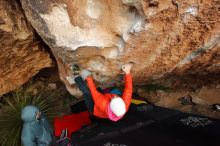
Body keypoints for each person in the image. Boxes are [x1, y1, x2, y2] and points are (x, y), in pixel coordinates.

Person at [66, 63, 133, 121]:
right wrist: (128, 73)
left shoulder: (103, 104)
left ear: (110, 104)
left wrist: (89, 77)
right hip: (104, 103)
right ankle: (83, 78)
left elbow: (93, 92)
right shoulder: (125, 105)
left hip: (94, 109)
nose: (115, 96)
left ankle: (76, 75)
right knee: (97, 90)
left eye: (114, 98)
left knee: (87, 93)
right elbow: (128, 90)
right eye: (118, 97)